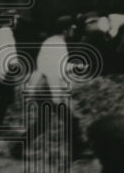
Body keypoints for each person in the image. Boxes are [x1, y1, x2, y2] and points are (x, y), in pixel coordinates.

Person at [13, 16, 85, 159]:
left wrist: (75, 66)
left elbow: (56, 66)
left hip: (43, 86)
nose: (73, 30)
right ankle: (77, 152)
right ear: (65, 30)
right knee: (71, 120)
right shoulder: (57, 45)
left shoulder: (52, 42)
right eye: (72, 28)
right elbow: (53, 72)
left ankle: (17, 148)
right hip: (48, 88)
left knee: (43, 123)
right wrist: (56, 96)